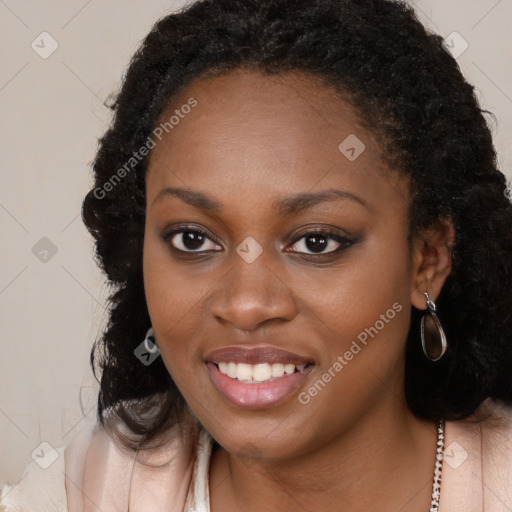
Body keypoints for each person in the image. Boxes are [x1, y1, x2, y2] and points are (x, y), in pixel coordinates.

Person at [2, 0, 512, 510]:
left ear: (427, 259)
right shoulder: (93, 487)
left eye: (316, 242)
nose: (245, 305)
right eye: (192, 239)